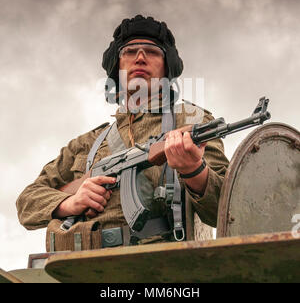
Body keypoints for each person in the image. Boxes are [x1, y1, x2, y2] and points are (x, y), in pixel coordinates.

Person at [16, 15, 229, 251]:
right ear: (117, 69)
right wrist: (70, 202)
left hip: (162, 265)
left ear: (166, 67)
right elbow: (27, 202)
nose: (140, 57)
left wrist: (194, 171)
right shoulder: (88, 143)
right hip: (85, 267)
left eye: (152, 51)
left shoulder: (192, 121)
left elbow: (226, 210)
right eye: (129, 51)